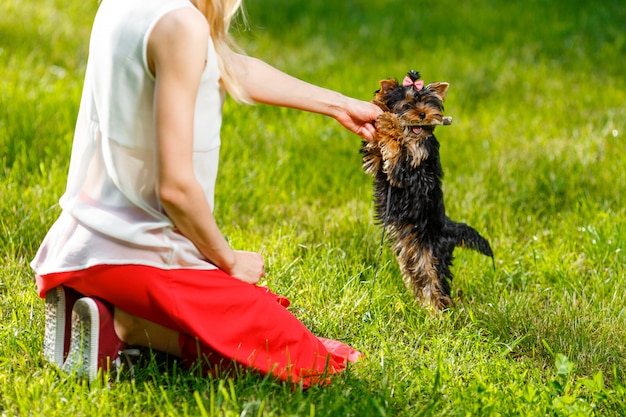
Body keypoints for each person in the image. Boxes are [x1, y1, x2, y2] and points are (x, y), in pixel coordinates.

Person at [31, 0, 382, 387]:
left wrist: (338, 105)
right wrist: (228, 261)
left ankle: (102, 307)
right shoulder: (182, 25)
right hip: (144, 257)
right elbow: (176, 190)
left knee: (263, 314)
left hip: (83, 245)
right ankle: (125, 323)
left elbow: (227, 67)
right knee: (308, 359)